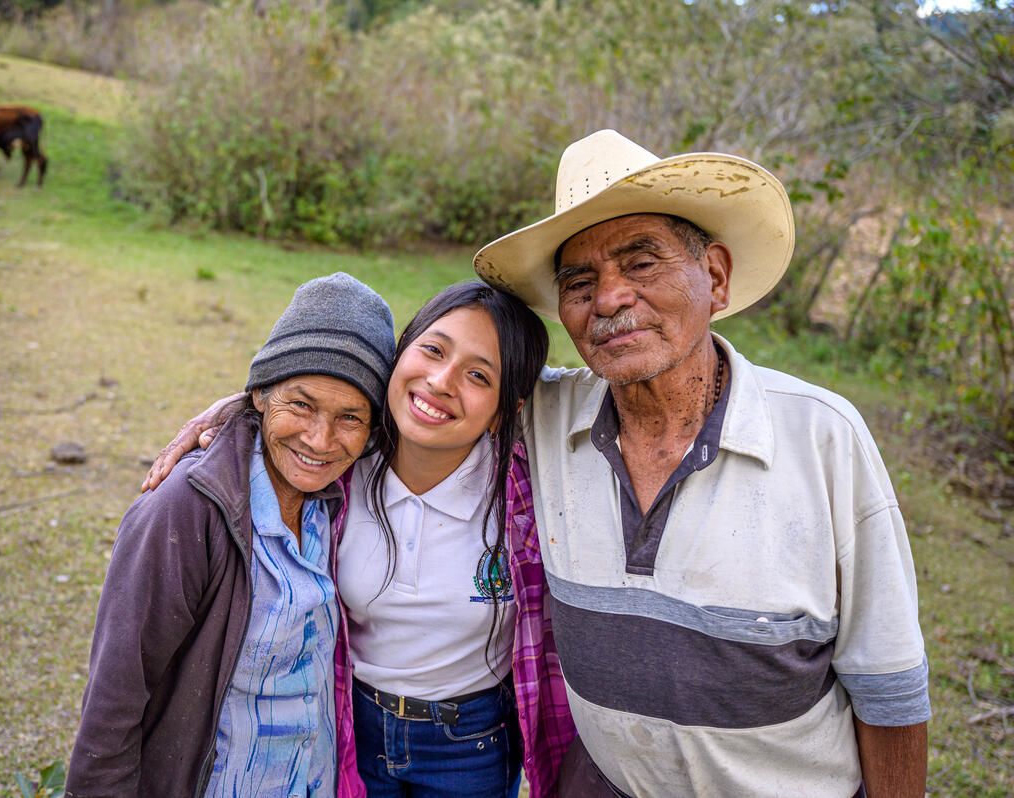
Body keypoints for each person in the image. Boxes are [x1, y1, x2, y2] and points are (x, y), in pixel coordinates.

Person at [471, 128, 931, 797]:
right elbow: (417, 399)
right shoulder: (544, 418)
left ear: (714, 277)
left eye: (642, 263)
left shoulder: (821, 437)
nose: (609, 299)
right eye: (580, 281)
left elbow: (888, 689)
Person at [145, 283, 576, 798]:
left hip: (475, 741)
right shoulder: (339, 466)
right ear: (399, 355)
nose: (441, 381)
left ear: (506, 408)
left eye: (478, 375)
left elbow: (595, 392)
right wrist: (241, 407)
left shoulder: (529, 492)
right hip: (351, 720)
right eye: (433, 350)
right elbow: (292, 404)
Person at [65, 272, 396, 798]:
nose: (320, 439)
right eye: (302, 405)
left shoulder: (341, 496)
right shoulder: (185, 511)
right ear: (261, 395)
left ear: (374, 429)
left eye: (349, 416)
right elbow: (114, 700)